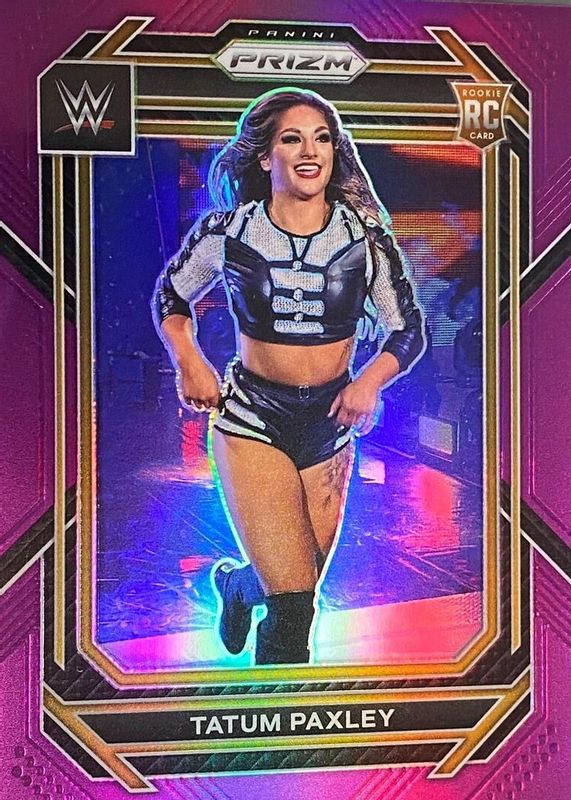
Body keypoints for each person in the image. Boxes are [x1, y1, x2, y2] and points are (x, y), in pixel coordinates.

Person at [152, 88, 425, 666]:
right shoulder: (228, 232)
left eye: (322, 138)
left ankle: (238, 587)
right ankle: (276, 716)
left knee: (292, 582)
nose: (310, 151)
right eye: (292, 139)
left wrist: (368, 382)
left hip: (329, 425)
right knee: (297, 603)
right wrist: (189, 359)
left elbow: (408, 330)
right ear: (264, 156)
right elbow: (172, 296)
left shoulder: (363, 239)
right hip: (252, 418)